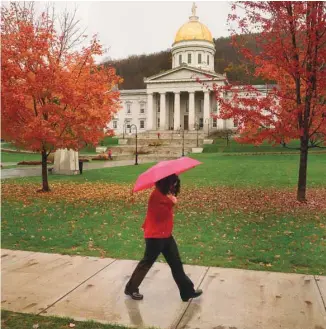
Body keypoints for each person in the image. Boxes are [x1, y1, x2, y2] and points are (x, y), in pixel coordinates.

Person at [124, 174, 203, 302]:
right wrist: (171, 202)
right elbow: (159, 216)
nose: (174, 186)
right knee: (146, 263)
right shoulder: (155, 196)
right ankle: (131, 288)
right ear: (165, 183)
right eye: (173, 184)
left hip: (166, 235)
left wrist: (170, 200)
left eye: (176, 184)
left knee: (176, 264)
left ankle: (187, 292)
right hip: (155, 237)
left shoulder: (165, 194)